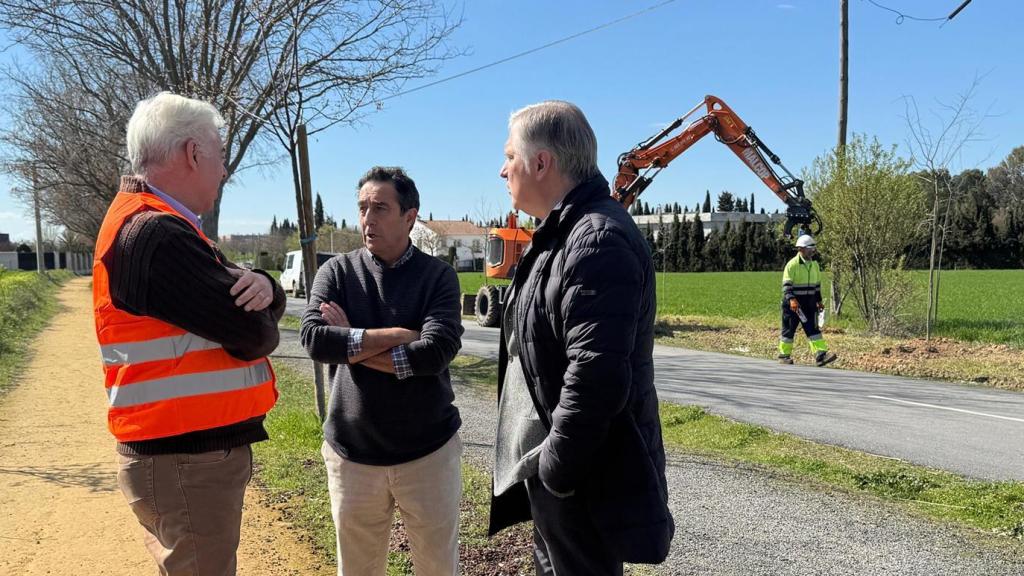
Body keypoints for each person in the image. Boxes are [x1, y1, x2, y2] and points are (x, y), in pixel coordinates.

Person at [93, 92, 283, 575]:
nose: (223, 171)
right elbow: (253, 332)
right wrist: (266, 300)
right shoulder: (158, 235)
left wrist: (267, 287)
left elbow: (247, 298)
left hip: (178, 453)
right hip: (185, 458)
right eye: (220, 156)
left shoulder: (156, 226)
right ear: (193, 153)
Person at [488, 101, 674, 575]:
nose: (502, 169)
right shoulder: (563, 232)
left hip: (581, 476)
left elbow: (596, 374)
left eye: (510, 156)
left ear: (541, 162)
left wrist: (556, 470)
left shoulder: (596, 239)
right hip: (565, 471)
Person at [300, 166, 464, 576]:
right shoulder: (336, 273)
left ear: (410, 217)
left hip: (428, 454)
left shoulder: (438, 277)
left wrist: (350, 342)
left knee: (438, 567)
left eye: (380, 208)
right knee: (357, 568)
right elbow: (315, 340)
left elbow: (436, 352)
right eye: (362, 208)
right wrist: (397, 334)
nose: (367, 219)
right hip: (352, 455)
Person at [779, 234, 837, 367]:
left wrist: (819, 301)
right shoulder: (792, 265)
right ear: (801, 249)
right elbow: (787, 287)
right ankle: (784, 355)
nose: (813, 250)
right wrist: (792, 300)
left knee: (813, 329)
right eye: (810, 248)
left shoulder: (815, 265)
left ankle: (820, 355)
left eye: (813, 248)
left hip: (809, 304)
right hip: (793, 305)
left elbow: (817, 286)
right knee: (789, 330)